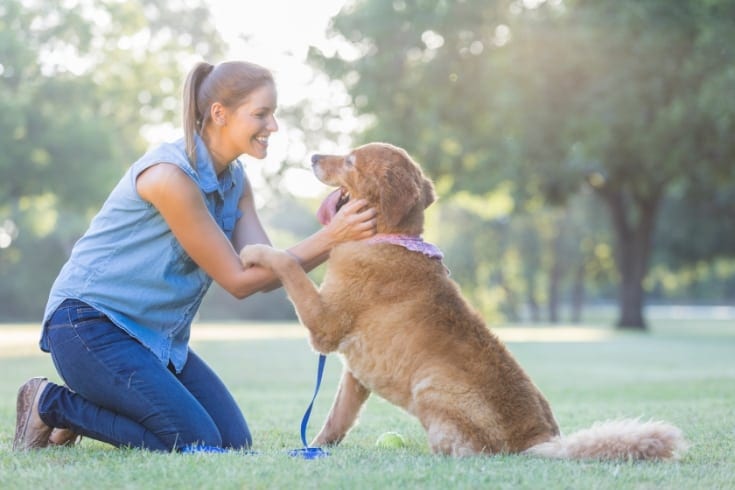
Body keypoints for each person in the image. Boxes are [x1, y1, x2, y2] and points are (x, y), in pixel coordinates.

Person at [13, 60, 377, 452]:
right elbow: (237, 281)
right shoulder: (171, 177)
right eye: (261, 114)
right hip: (87, 326)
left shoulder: (236, 181)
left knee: (234, 443)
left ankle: (94, 404)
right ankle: (52, 405)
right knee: (194, 440)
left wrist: (337, 238)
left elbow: (267, 271)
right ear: (219, 113)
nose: (273, 126)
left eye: (273, 114)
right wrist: (330, 237)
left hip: (153, 340)